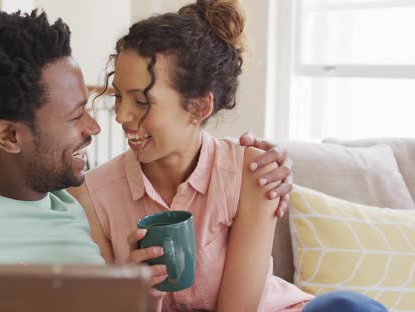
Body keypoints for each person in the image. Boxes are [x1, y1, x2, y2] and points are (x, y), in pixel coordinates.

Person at [0, 8, 295, 312]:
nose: (96, 128)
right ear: (9, 135)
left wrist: (137, 297)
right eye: (76, 116)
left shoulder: (70, 209)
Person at [67, 1, 389, 311]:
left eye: (140, 101)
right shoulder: (92, 196)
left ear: (199, 107)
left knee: (345, 306)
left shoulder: (252, 173)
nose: (121, 115)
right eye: (119, 96)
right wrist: (137, 296)